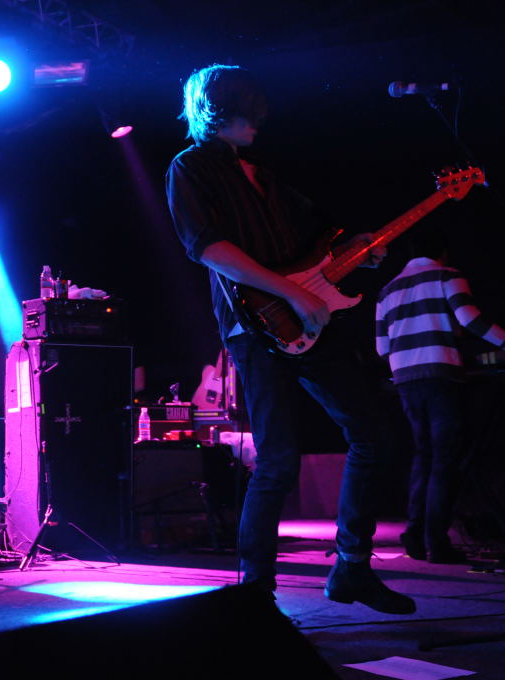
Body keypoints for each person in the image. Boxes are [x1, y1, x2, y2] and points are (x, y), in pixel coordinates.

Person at [166, 64, 415, 614]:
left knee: (374, 435)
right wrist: (292, 293)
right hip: (253, 326)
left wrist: (359, 252)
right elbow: (208, 248)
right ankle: (256, 593)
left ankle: (351, 568)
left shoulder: (268, 178)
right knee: (278, 460)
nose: (259, 122)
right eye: (249, 112)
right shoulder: (190, 167)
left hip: (310, 322)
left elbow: (316, 248)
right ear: (220, 109)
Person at [376, 225, 505, 563]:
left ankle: (415, 536)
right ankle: (437, 542)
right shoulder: (447, 275)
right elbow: (470, 320)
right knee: (445, 458)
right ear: (443, 252)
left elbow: (382, 348)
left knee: (423, 455)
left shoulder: (387, 290)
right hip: (440, 375)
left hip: (405, 379)